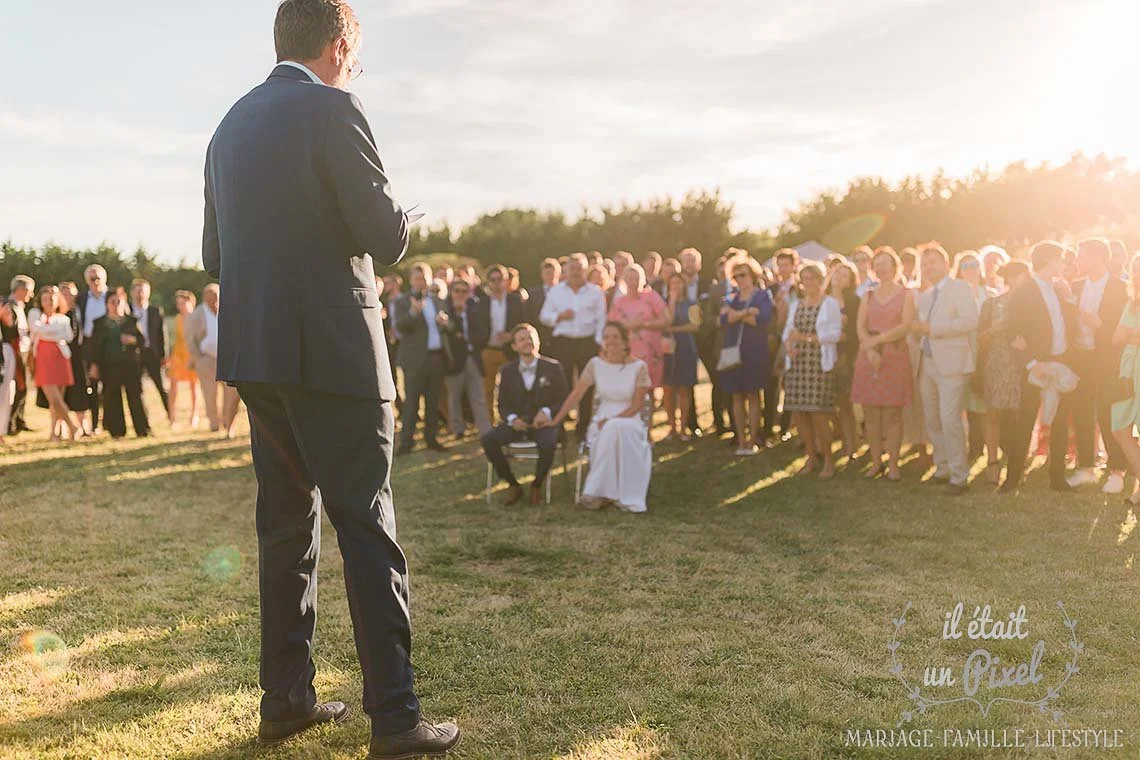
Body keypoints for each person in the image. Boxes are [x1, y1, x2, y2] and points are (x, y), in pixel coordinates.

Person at [201, 1, 458, 755]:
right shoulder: (336, 110)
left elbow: (215, 255)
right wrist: (402, 215)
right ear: (341, 44)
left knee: (285, 529)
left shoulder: (227, 126)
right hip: (337, 355)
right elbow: (383, 235)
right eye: (357, 51)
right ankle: (397, 718)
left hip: (259, 356)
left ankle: (285, 700)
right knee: (367, 527)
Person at [550, 322, 653, 512]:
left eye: (615, 337)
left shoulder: (639, 367)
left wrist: (612, 420)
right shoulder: (595, 364)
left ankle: (598, 492)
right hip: (601, 419)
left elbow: (637, 406)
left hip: (630, 419)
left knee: (615, 427)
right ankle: (605, 493)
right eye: (606, 337)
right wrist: (556, 420)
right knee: (609, 429)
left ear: (625, 342)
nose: (610, 341)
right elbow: (576, 395)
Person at [1002, 241, 1077, 493]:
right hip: (1036, 367)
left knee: (1059, 422)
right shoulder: (1024, 292)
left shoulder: (1059, 289)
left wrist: (1068, 296)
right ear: (1051, 261)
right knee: (1025, 421)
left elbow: (1066, 323)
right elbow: (1011, 330)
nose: (1064, 264)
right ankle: (1012, 479)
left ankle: (1057, 477)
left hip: (1060, 362)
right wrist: (1032, 364)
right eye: (1061, 260)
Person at [912, 243, 979, 495]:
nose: (928, 267)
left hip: (952, 363)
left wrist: (934, 329)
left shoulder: (960, 288)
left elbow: (970, 321)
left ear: (946, 264)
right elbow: (924, 328)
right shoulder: (925, 296)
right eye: (924, 264)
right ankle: (942, 469)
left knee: (950, 418)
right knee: (932, 418)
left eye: (933, 262)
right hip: (927, 362)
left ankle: (959, 476)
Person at [481, 323, 569, 506]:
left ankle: (537, 485)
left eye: (530, 337)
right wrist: (513, 419)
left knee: (549, 442)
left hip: (544, 424)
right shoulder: (507, 371)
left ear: (537, 341)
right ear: (514, 346)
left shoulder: (553, 367)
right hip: (518, 424)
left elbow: (563, 399)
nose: (527, 342)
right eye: (522, 339)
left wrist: (546, 412)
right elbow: (502, 404)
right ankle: (513, 485)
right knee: (488, 440)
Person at [1068, 238, 1129, 493]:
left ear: (1096, 258)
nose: (1077, 261)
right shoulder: (1075, 286)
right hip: (1080, 358)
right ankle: (1085, 468)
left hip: (1106, 358)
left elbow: (1120, 327)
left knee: (1107, 412)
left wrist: (1097, 324)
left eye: (1081, 256)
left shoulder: (1119, 287)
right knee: (1082, 412)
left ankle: (1117, 471)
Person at [852, 250, 915, 480]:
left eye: (885, 264)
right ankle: (876, 462)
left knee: (892, 413)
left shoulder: (906, 294)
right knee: (871, 413)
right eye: (877, 264)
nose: (881, 268)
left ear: (895, 267)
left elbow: (905, 325)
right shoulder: (868, 295)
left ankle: (894, 465)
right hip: (869, 357)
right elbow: (860, 326)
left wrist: (878, 340)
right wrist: (869, 349)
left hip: (894, 354)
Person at [540, 252, 607, 441]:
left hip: (587, 342)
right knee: (562, 385)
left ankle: (583, 428)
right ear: (566, 271)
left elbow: (602, 319)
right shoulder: (556, 291)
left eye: (579, 268)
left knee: (587, 386)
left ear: (585, 270)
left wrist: (599, 342)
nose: (576, 272)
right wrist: (559, 316)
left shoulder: (596, 292)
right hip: (563, 343)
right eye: (572, 268)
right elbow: (544, 316)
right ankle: (558, 427)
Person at [977, 260, 1030, 485]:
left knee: (1019, 416)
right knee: (993, 414)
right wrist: (993, 330)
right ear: (1008, 278)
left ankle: (1016, 463)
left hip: (1020, 366)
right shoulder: (991, 304)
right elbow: (980, 339)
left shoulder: (1031, 304)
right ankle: (992, 462)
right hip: (995, 365)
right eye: (1018, 276)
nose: (1023, 281)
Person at [392, 262, 450, 455]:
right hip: (414, 360)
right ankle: (406, 442)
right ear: (411, 280)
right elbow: (400, 326)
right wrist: (413, 313)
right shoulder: (402, 301)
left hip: (436, 358)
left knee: (433, 401)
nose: (421, 282)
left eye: (424, 278)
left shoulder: (437, 300)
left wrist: (444, 323)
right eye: (417, 279)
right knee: (412, 402)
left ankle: (431, 438)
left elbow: (448, 326)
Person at [719, 256, 774, 455]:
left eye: (743, 275)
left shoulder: (762, 296)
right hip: (733, 351)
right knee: (736, 395)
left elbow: (762, 319)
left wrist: (737, 315)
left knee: (753, 394)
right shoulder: (730, 298)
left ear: (752, 275)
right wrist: (746, 313)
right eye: (736, 276)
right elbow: (724, 319)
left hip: (754, 350)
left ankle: (753, 441)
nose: (740, 279)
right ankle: (741, 440)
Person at [87, 287, 149, 439]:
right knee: (112, 397)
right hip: (109, 365)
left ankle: (142, 430)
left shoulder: (132, 321)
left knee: (135, 396)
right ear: (107, 304)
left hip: (130, 365)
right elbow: (94, 346)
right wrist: (94, 365)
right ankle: (117, 431)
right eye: (112, 302)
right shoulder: (100, 323)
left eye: (119, 302)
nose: (116, 305)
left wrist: (133, 340)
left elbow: (142, 341)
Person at [185, 284, 241, 437]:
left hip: (227, 359)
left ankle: (228, 421)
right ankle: (214, 422)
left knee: (231, 393)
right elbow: (190, 340)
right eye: (212, 296)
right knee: (210, 393)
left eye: (217, 296)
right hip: (206, 359)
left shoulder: (227, 310)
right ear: (205, 297)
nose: (215, 299)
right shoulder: (197, 314)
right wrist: (198, 358)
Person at [30, 285, 83, 442]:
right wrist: (53, 332)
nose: (48, 302)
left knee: (59, 398)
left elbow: (67, 336)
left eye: (52, 299)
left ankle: (54, 433)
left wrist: (47, 331)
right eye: (45, 299)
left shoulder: (63, 318)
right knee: (54, 399)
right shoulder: (35, 314)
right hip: (43, 359)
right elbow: (36, 329)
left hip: (60, 358)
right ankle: (72, 426)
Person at [443, 277, 492, 439]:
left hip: (473, 358)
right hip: (454, 361)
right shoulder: (446, 311)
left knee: (478, 396)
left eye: (464, 292)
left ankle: (485, 430)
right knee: (454, 397)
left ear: (469, 293)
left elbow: (482, 334)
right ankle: (458, 429)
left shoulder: (475, 310)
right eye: (457, 291)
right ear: (451, 293)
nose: (460, 294)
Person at [608, 263, 670, 389]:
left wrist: (644, 324)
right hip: (627, 352)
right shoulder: (619, 302)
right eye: (630, 278)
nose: (633, 282)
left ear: (643, 280)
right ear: (625, 280)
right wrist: (625, 326)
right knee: (629, 388)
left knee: (648, 387)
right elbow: (611, 326)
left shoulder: (651, 297)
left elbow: (666, 320)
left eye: (636, 278)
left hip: (650, 351)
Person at [477, 265, 525, 422]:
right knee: (487, 389)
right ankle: (489, 423)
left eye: (500, 279)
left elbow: (523, 323)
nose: (497, 283)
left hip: (509, 349)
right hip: (488, 349)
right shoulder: (482, 302)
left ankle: (510, 420)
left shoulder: (515, 301)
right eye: (493, 280)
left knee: (511, 387)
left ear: (506, 281)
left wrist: (511, 335)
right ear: (488, 282)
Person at [1110, 254, 1140, 505]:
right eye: (1136, 270)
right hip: (1127, 371)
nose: (1139, 274)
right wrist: (1132, 334)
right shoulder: (1131, 303)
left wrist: (1130, 334)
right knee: (1119, 428)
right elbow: (1116, 338)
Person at [828, 260, 862, 460]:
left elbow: (857, 330)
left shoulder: (854, 301)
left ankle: (851, 444)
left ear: (850, 282)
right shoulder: (822, 299)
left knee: (846, 403)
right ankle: (834, 439)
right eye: (837, 273)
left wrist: (845, 334)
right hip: (824, 354)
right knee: (828, 404)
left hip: (845, 355)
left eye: (844, 276)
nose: (839, 277)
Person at [660, 273, 700, 442]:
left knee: (684, 388)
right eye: (672, 283)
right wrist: (672, 301)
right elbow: (666, 321)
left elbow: (695, 326)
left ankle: (683, 427)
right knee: (668, 388)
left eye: (678, 282)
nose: (675, 286)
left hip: (685, 348)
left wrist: (676, 330)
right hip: (668, 350)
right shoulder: (663, 303)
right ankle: (672, 428)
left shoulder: (691, 303)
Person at [76, 264, 109, 433]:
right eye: (92, 279)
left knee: (110, 385)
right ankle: (94, 423)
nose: (95, 282)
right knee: (93, 385)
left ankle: (109, 422)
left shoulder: (112, 296)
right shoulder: (82, 299)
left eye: (98, 278)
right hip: (89, 345)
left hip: (109, 344)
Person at [130, 279, 170, 416]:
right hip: (134, 355)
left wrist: (164, 356)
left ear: (148, 293)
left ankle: (171, 416)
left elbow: (162, 335)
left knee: (162, 387)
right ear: (132, 293)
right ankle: (144, 418)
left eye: (143, 291)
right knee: (137, 389)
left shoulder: (155, 311)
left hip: (153, 354)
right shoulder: (127, 310)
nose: (140, 294)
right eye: (137, 291)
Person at [3, 275, 34, 436]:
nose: (31, 295)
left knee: (22, 387)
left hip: (21, 351)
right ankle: (9, 422)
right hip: (11, 352)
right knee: (14, 388)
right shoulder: (8, 306)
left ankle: (17, 420)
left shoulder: (20, 307)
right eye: (29, 291)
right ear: (21, 289)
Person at [57, 281, 92, 427]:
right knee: (61, 392)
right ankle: (61, 426)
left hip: (79, 355)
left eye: (70, 294)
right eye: (63, 294)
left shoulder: (80, 309)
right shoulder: (57, 314)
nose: (67, 297)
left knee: (80, 389)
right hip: (61, 355)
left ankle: (82, 425)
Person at [166, 290, 200, 429]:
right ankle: (172, 417)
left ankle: (194, 416)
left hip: (192, 355)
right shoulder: (177, 319)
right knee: (173, 385)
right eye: (178, 304)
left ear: (191, 303)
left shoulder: (196, 319)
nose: (180, 306)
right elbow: (172, 338)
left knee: (194, 386)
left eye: (183, 303)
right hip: (177, 356)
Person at [525, 258, 561, 345]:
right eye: (547, 273)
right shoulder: (532, 294)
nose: (549, 276)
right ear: (542, 274)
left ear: (558, 274)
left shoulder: (566, 292)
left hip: (560, 338)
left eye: (552, 273)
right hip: (540, 338)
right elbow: (529, 316)